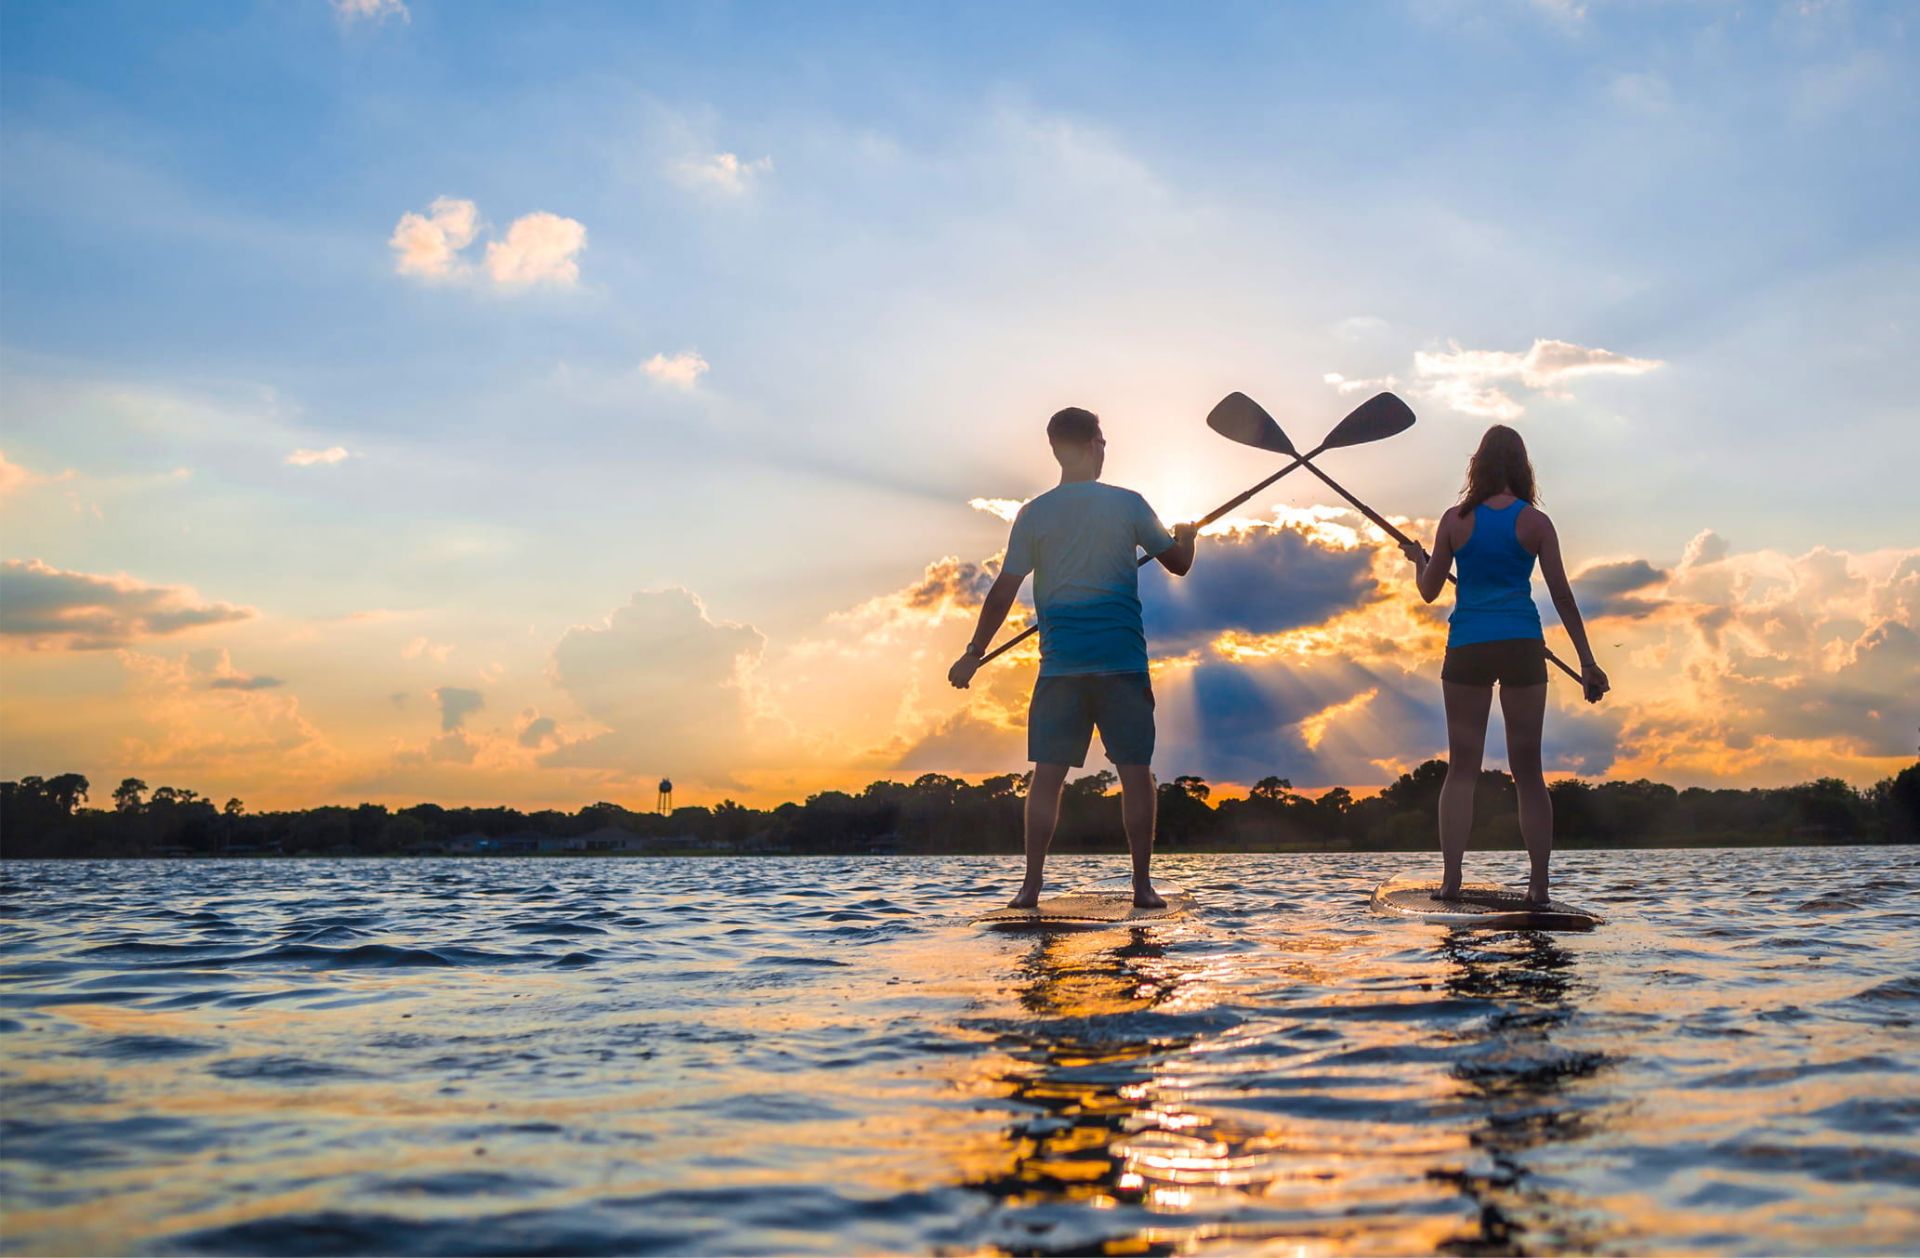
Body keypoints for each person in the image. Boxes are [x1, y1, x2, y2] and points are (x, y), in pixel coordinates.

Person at [948, 407, 1197, 909]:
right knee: (1135, 772)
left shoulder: (1034, 513)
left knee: (1047, 775)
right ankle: (1142, 887)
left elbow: (1003, 591)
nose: (1104, 451)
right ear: (1089, 446)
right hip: (1122, 664)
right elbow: (1179, 565)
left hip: (1060, 668)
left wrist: (973, 653)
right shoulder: (1129, 504)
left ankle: (1030, 887)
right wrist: (1187, 536)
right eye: (1102, 442)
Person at [1399, 424, 1608, 907]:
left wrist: (1419, 561)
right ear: (1522, 467)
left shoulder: (1455, 519)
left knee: (1462, 769)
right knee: (1528, 771)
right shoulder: (1535, 523)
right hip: (1520, 646)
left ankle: (1451, 881)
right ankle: (1539, 884)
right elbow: (1562, 597)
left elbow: (1429, 591)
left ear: (1478, 465)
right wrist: (1588, 663)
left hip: (1469, 645)